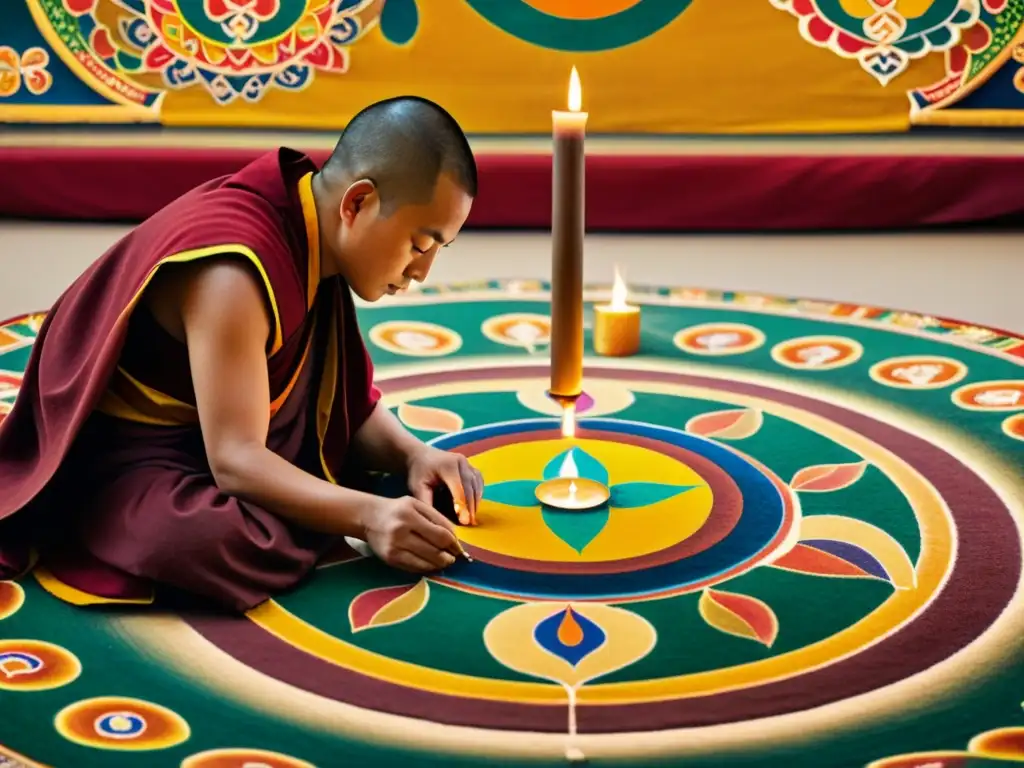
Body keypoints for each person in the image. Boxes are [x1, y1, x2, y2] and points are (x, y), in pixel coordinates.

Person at [0, 96, 484, 612]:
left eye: (437, 250)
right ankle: (87, 516)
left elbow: (344, 404)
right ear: (357, 203)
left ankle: (307, 499)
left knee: (319, 487)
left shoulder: (315, 239)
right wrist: (368, 516)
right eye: (418, 243)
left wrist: (416, 455)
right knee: (213, 541)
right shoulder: (236, 270)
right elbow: (234, 460)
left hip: (216, 439)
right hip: (127, 457)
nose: (421, 272)